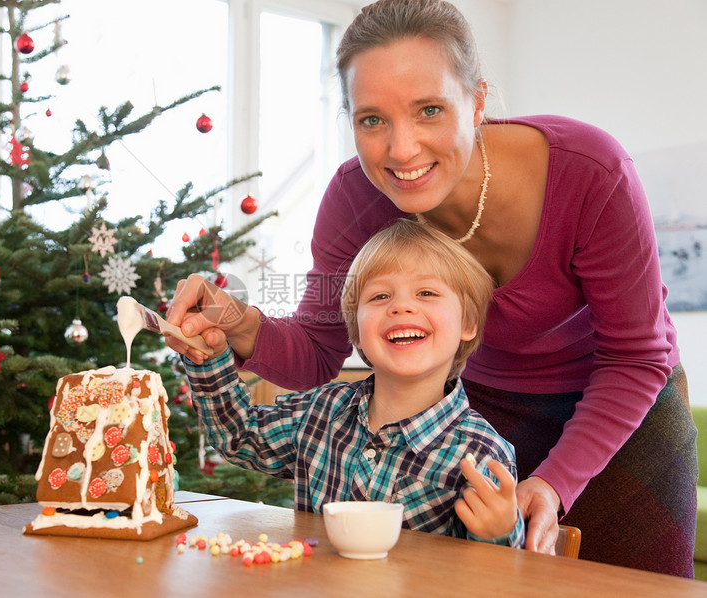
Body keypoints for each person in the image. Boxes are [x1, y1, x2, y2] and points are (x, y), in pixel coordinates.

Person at [167, 0, 696, 577]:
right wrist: (242, 324)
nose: (402, 150)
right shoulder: (351, 200)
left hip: (621, 413)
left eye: (429, 110)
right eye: (372, 120)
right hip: (482, 411)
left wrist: (553, 481)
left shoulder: (592, 173)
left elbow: (635, 357)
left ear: (477, 101)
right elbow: (318, 350)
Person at [183, 218, 525, 546]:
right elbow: (238, 434)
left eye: (426, 293)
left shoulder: (482, 455)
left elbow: (497, 580)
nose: (401, 307)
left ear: (468, 323)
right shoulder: (319, 413)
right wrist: (208, 357)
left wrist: (498, 532)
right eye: (380, 297)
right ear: (357, 333)